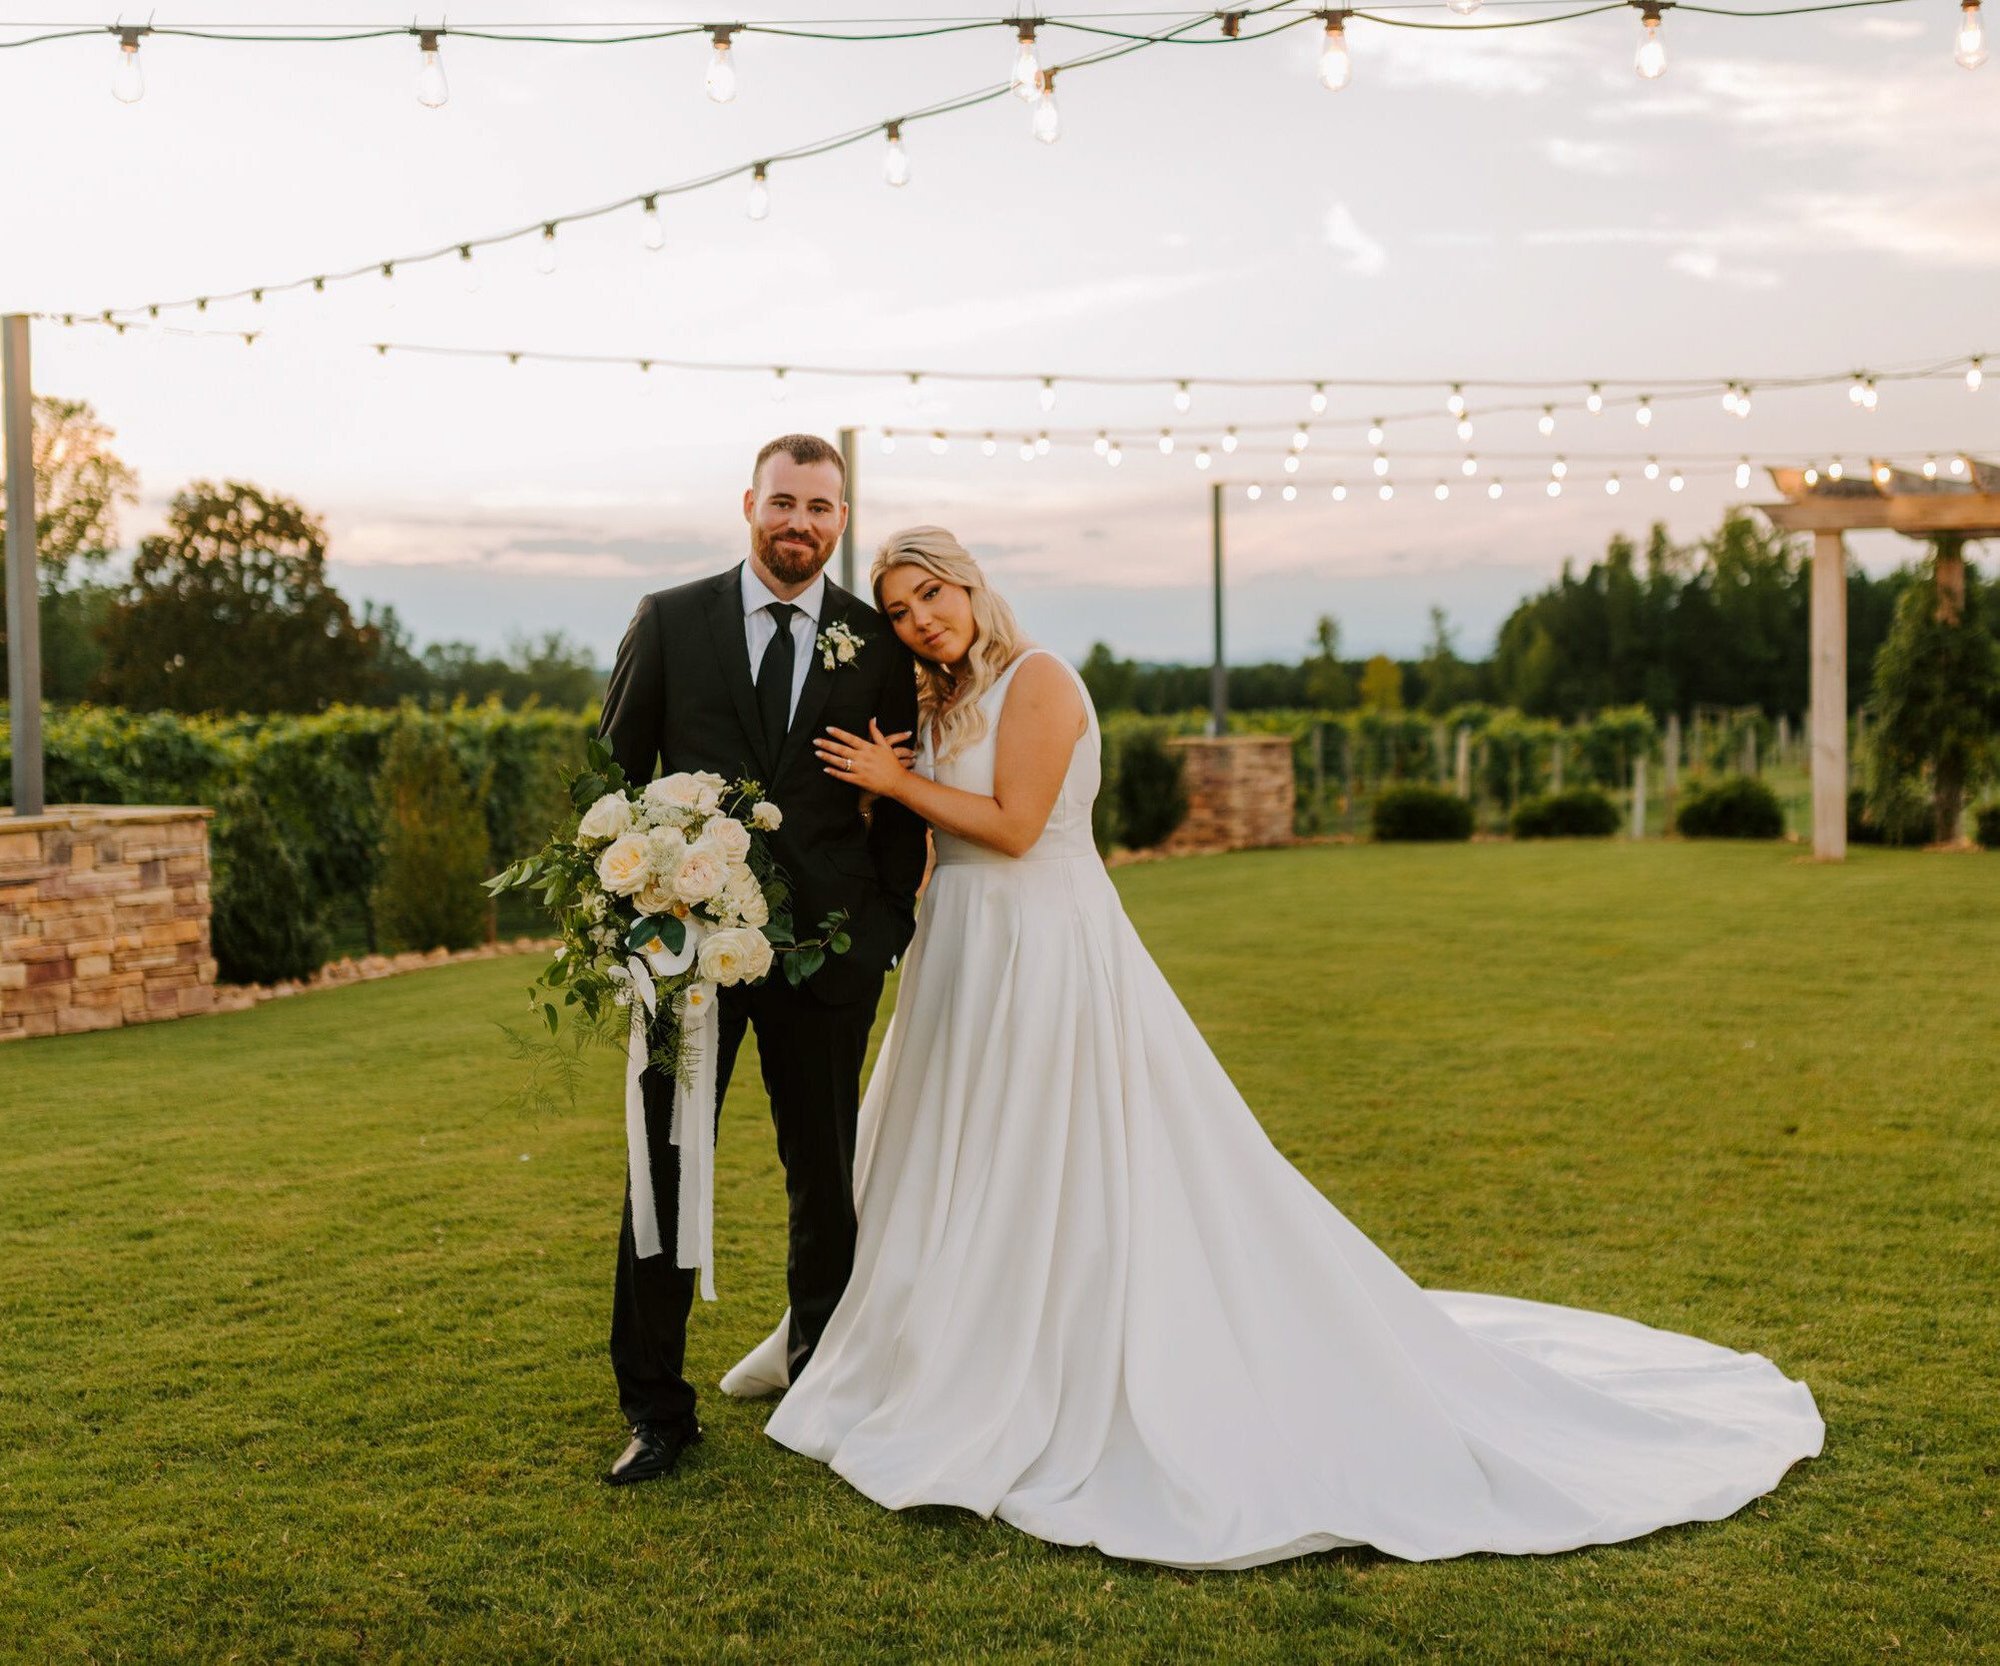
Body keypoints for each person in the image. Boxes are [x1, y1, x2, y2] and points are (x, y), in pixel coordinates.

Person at [720, 524, 1825, 1568]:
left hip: (1046, 946)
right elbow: (929, 843)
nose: (918, 620)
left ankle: (1051, 1351)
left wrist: (893, 783)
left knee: (1054, 1153)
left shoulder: (1039, 678)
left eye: (931, 595)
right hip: (959, 952)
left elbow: (1014, 827)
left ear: (969, 584)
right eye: (900, 608)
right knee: (943, 1152)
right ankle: (923, 1347)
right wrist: (875, 804)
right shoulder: (935, 703)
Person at [592, 436, 928, 1487]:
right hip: (686, 954)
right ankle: (656, 1409)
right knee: (664, 1165)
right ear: (749, 504)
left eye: (821, 507)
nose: (801, 523)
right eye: (784, 502)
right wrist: (634, 925)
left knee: (823, 1177)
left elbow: (898, 801)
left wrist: (877, 933)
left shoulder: (874, 644)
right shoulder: (670, 619)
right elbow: (611, 779)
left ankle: (823, 1387)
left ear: (840, 518)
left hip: (826, 956)